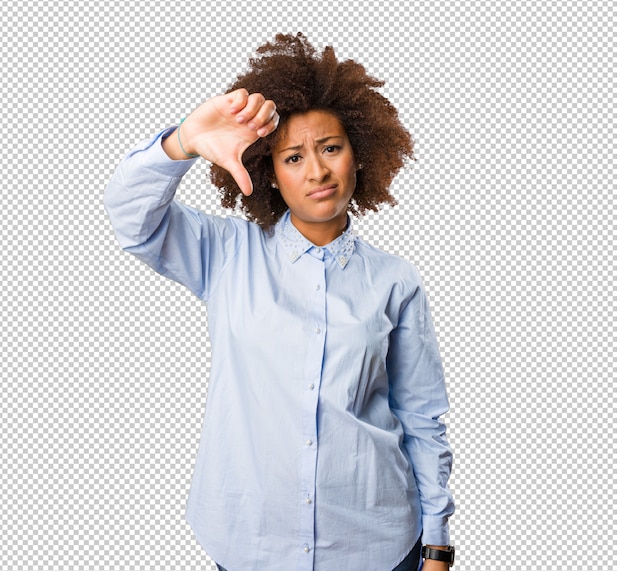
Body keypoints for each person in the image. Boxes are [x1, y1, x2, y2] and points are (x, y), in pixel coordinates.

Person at [104, 33, 455, 571]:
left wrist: (437, 541)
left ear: (359, 155)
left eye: (331, 148)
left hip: (374, 543)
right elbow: (132, 221)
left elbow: (421, 413)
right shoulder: (224, 253)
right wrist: (182, 143)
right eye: (294, 157)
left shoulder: (394, 280)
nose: (317, 171)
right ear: (271, 173)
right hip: (250, 542)